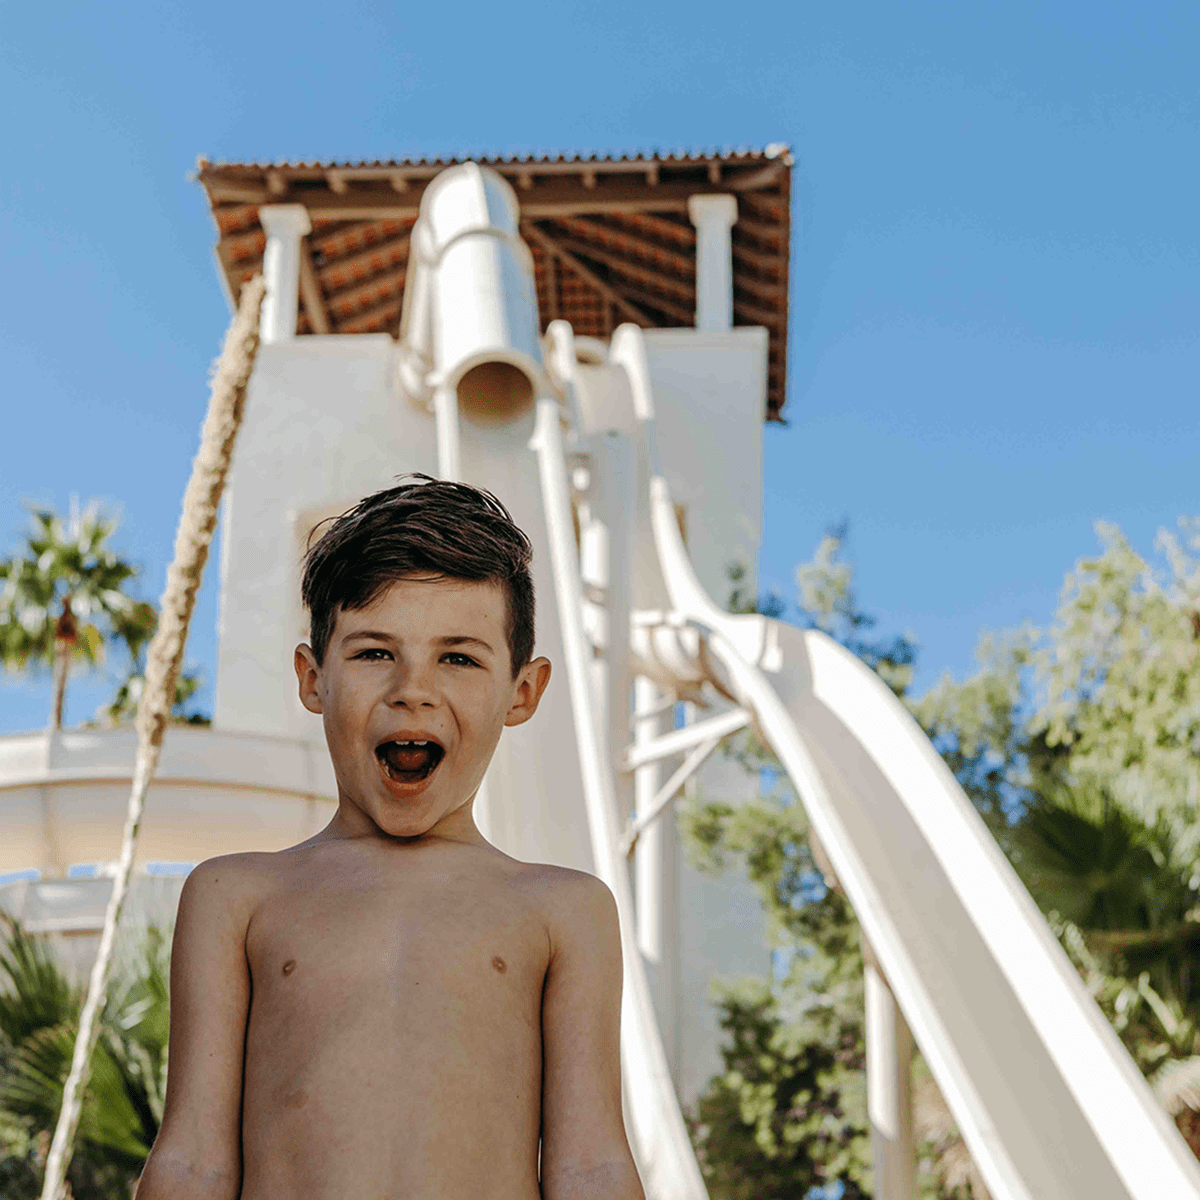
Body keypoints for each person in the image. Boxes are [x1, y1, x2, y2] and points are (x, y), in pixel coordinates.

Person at [136, 477, 644, 1200]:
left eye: (459, 658)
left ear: (521, 693)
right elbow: (192, 1159)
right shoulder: (237, 897)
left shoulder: (565, 910)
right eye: (375, 653)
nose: (414, 689)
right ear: (314, 680)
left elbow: (590, 1164)